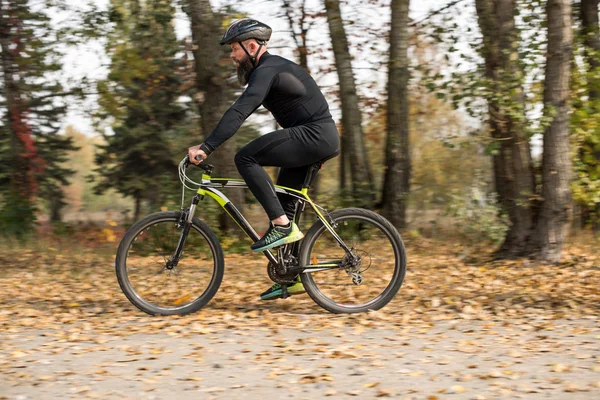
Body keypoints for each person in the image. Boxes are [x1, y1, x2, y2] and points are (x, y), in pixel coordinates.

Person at [188, 18, 339, 300]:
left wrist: (206, 147)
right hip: (313, 137)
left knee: (246, 157)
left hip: (315, 135)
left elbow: (239, 111)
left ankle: (281, 225)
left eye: (234, 49)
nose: (232, 56)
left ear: (252, 46)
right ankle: (292, 276)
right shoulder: (268, 70)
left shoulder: (267, 70)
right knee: (286, 202)